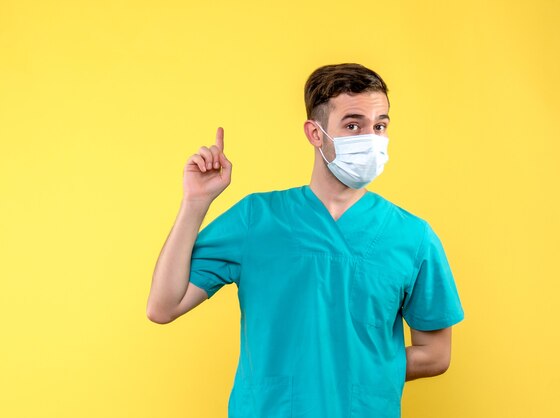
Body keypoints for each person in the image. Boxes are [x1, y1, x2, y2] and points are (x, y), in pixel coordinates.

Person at [147, 63, 464, 417]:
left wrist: (351, 371)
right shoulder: (257, 219)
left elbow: (436, 354)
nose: (370, 138)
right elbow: (163, 307)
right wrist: (195, 202)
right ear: (315, 134)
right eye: (353, 125)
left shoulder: (412, 236)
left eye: (380, 126)